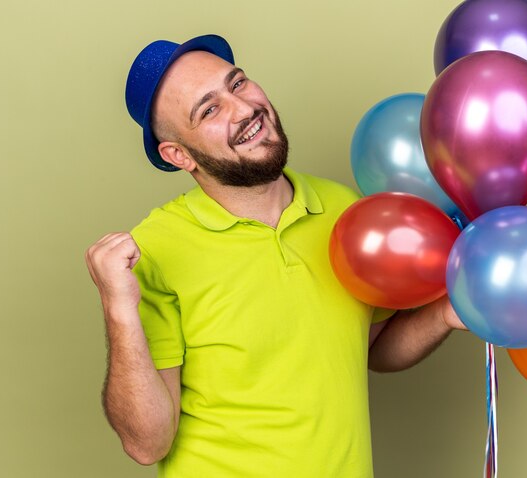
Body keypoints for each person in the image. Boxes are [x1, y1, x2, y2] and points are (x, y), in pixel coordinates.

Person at [85, 34, 465, 478]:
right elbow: (148, 444)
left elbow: (372, 347)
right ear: (178, 154)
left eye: (238, 83)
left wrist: (444, 314)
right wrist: (118, 308)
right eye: (209, 109)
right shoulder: (155, 250)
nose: (244, 109)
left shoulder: (344, 211)